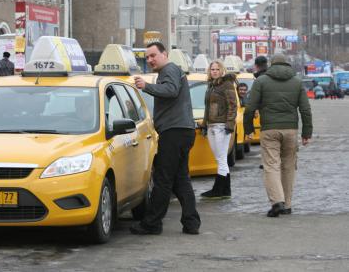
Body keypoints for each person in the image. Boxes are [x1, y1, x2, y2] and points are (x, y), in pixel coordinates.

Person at [130, 42, 201, 235]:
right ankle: (191, 222)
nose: (150, 60)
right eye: (148, 57)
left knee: (163, 179)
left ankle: (152, 223)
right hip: (181, 130)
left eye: (153, 55)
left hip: (174, 132)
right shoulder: (171, 70)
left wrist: (146, 86)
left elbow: (170, 91)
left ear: (164, 54)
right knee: (180, 179)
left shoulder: (169, 69)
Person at [243, 54, 313, 217]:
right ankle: (287, 205)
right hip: (291, 130)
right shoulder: (296, 82)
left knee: (271, 165)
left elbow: (250, 107)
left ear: (271, 65)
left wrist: (248, 129)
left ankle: (277, 202)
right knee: (289, 166)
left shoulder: (261, 81)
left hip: (269, 130)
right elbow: (305, 109)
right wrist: (306, 133)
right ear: (287, 64)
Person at [198, 60, 237, 199]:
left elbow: (233, 105)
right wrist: (204, 124)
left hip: (221, 126)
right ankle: (225, 190)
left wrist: (230, 124)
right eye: (212, 69)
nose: (214, 71)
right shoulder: (211, 86)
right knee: (220, 159)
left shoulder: (226, 84)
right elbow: (207, 108)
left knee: (221, 158)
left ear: (222, 70)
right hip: (211, 125)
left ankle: (218, 189)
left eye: (217, 69)